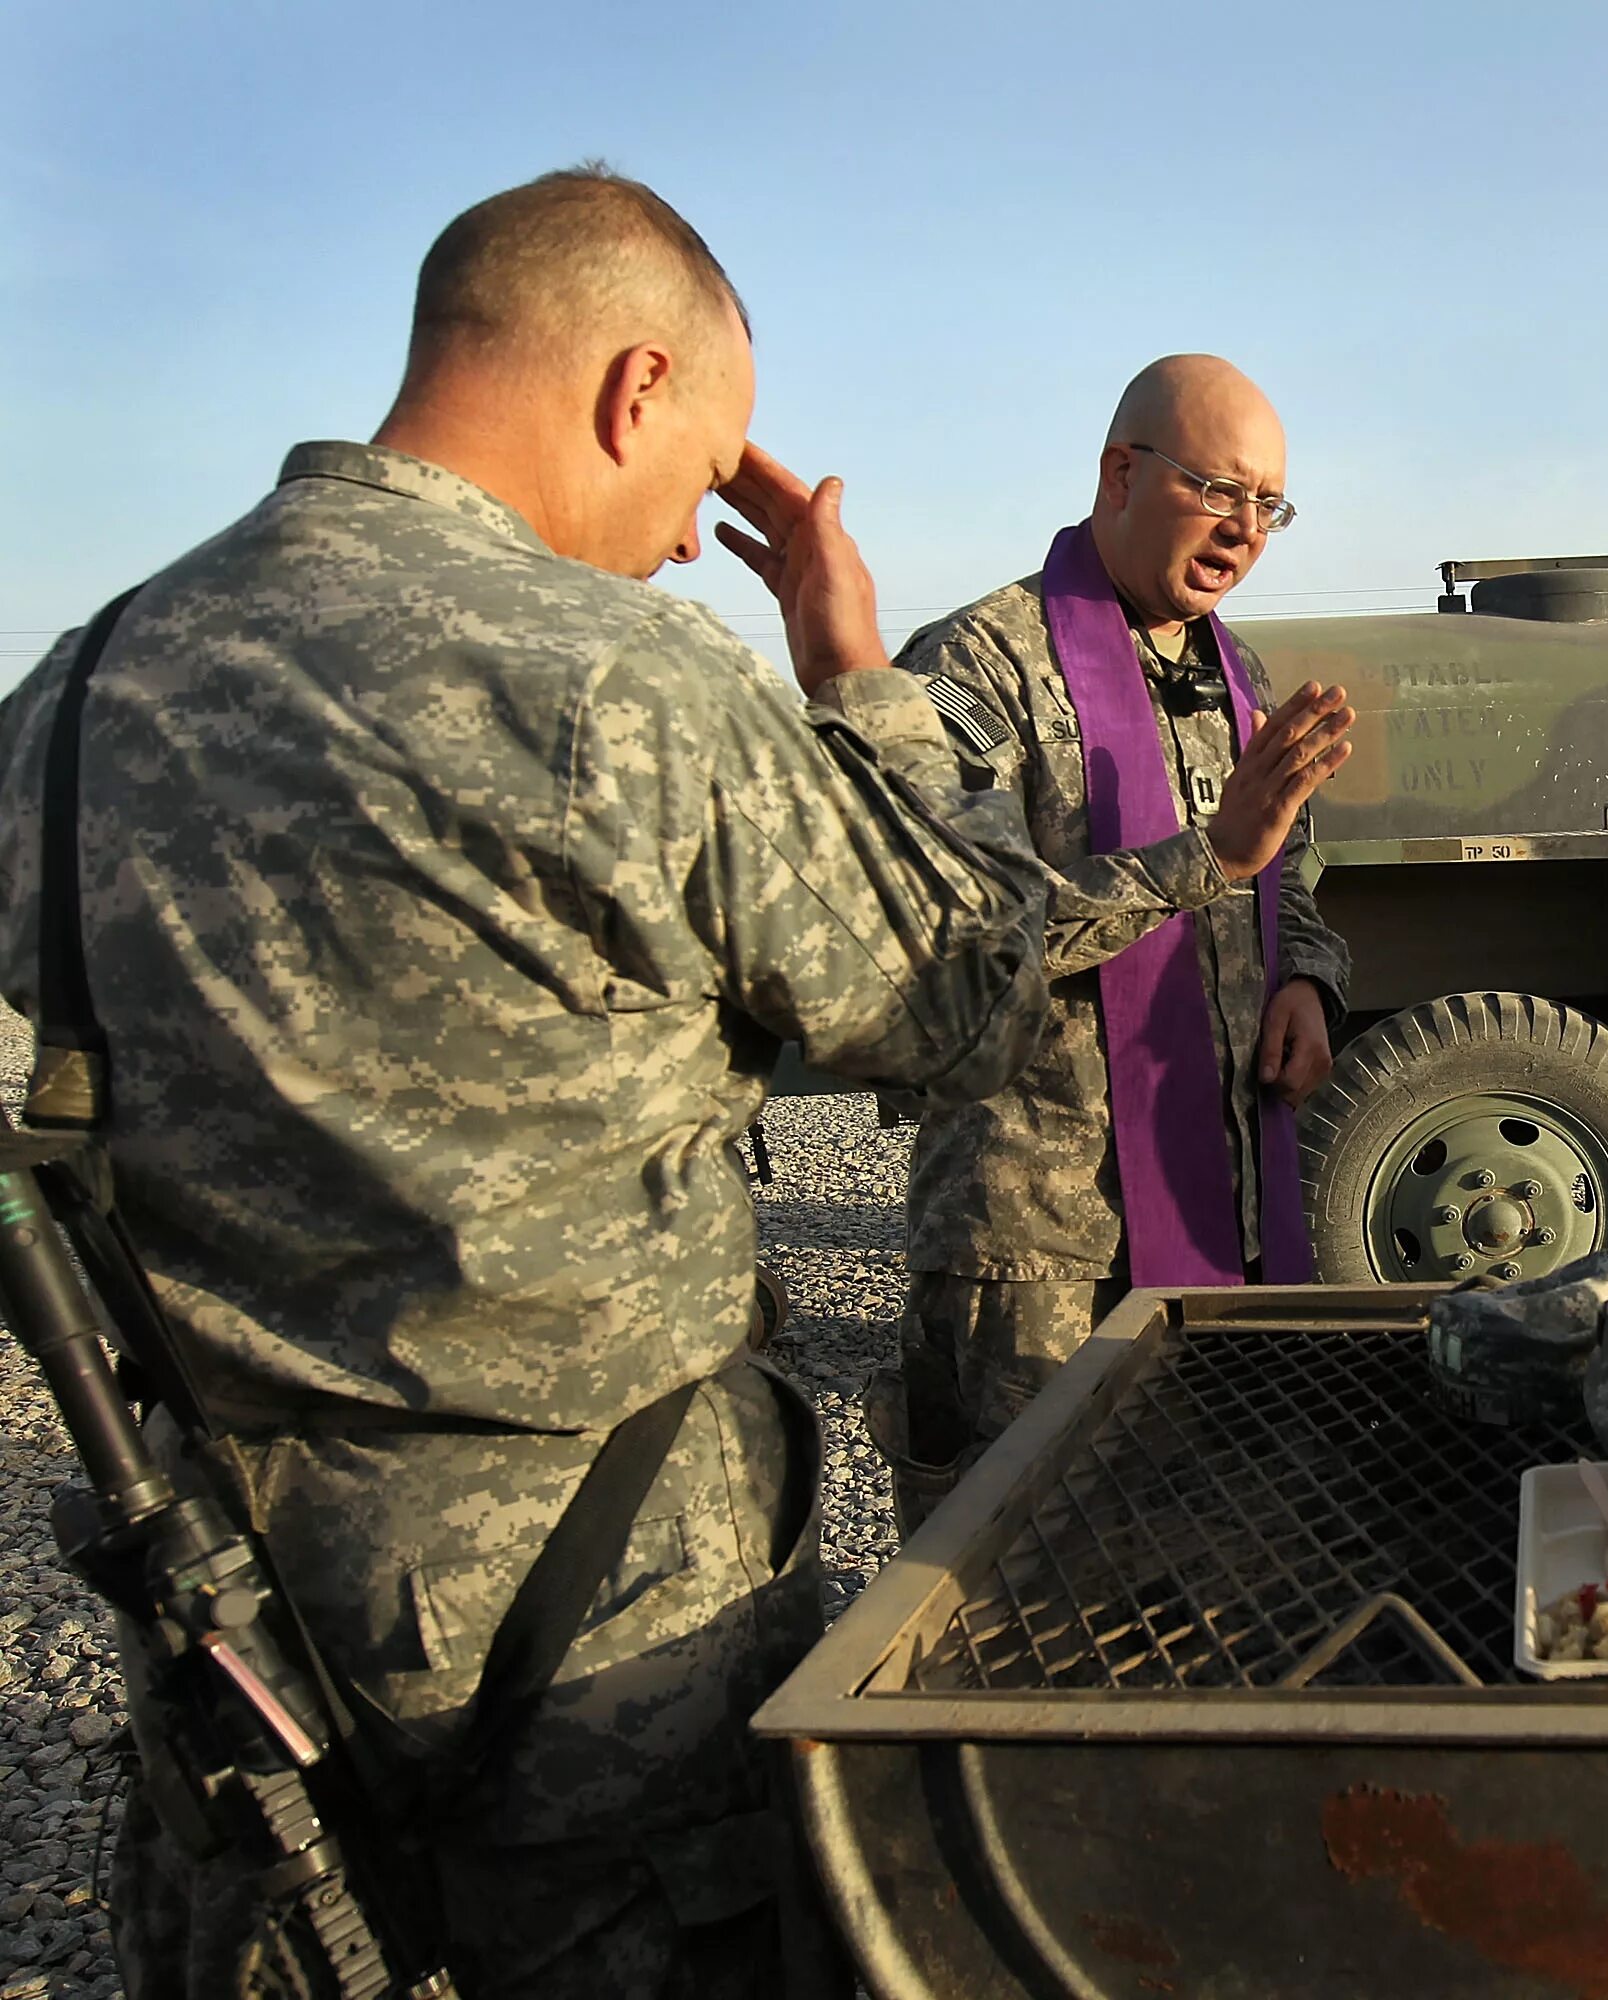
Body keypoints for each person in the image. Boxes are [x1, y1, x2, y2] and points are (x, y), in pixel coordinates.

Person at [0, 166, 1065, 1998]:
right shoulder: (620, 683)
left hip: (242, 1630)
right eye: (706, 468)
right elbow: (959, 989)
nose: (677, 542)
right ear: (636, 389)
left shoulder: (68, 700)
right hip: (602, 1652)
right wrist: (853, 664)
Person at [873, 355, 1355, 1528]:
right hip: (1041, 1249)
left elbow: (1288, 866)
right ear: (1120, 472)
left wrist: (1307, 976)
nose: (1246, 529)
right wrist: (1208, 859)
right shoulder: (973, 665)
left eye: (1269, 505)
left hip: (1220, 1218)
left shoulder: (1232, 667)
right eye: (1217, 489)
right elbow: (952, 937)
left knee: (1203, 1564)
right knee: (1007, 1586)